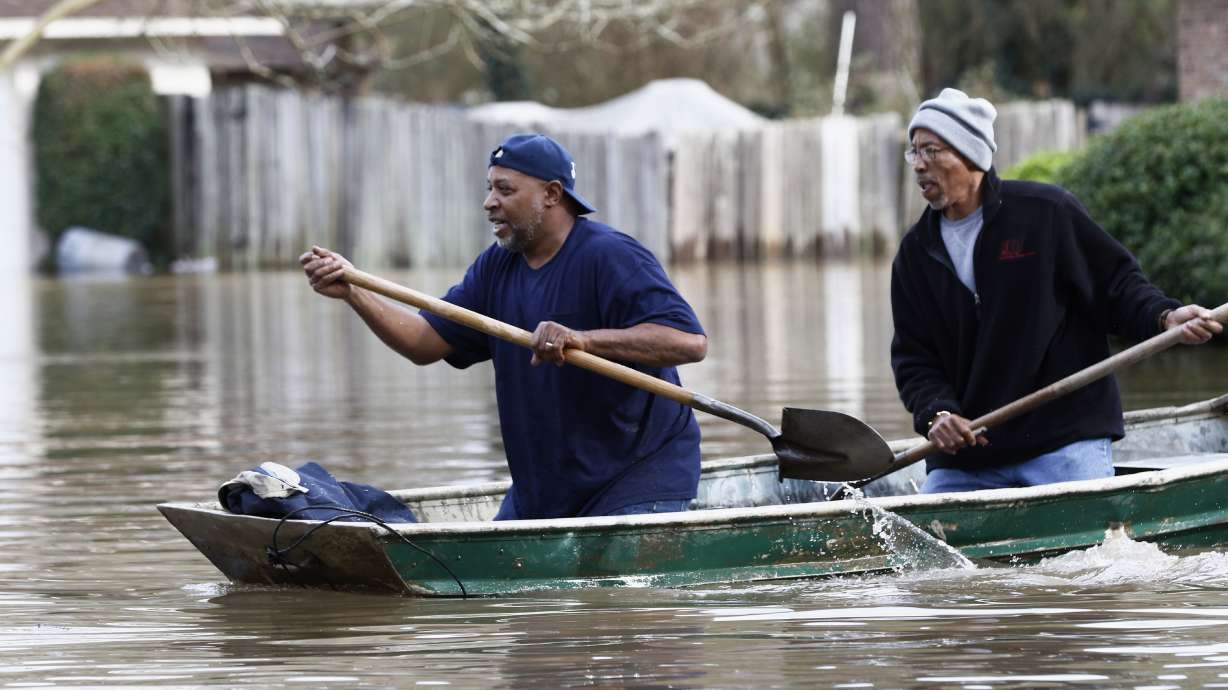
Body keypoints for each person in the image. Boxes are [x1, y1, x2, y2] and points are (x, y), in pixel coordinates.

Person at [300, 133, 708, 519]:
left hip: (635, 480)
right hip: (546, 488)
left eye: (505, 190)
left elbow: (689, 342)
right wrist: (354, 290)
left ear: (551, 194)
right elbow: (424, 344)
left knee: (613, 595)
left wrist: (582, 339)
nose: (488, 202)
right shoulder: (496, 267)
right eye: (489, 188)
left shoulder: (609, 255)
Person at [890, 88, 1222, 494]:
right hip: (970, 458)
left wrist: (1165, 316)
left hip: (1063, 440)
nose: (919, 166)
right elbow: (914, 358)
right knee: (925, 550)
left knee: (1093, 553)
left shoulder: (1045, 214)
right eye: (914, 153)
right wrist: (936, 414)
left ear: (971, 155)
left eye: (931, 151)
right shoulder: (914, 254)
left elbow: (1115, 286)